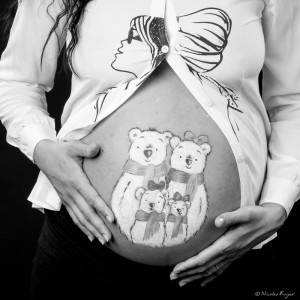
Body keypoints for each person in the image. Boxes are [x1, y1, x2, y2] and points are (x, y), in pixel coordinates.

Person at [0, 0, 299, 298]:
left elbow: (293, 101)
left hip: (232, 260)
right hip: (83, 256)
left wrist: (279, 203)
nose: (125, 44)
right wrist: (43, 149)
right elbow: (17, 82)